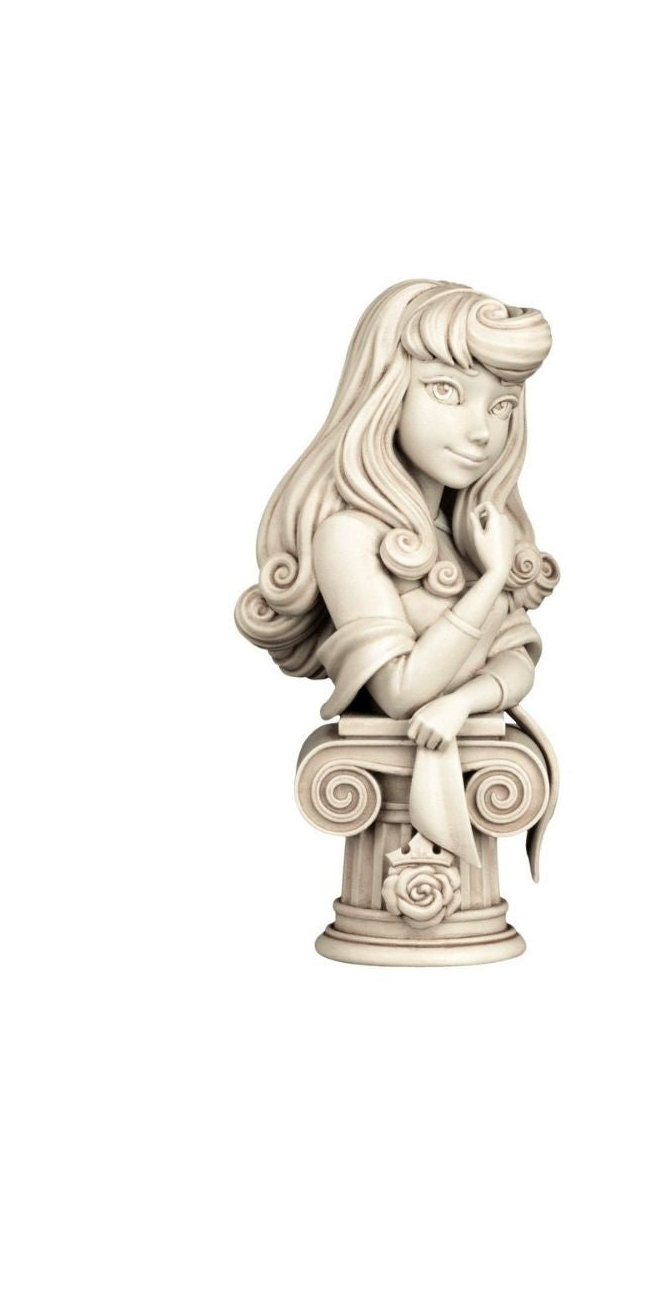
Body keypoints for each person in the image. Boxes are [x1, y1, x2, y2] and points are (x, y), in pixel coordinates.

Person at [235, 279, 559, 874]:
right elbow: (402, 692)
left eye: (502, 405)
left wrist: (462, 702)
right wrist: (490, 583)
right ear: (387, 392)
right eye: (447, 391)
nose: (481, 431)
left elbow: (518, 663)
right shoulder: (348, 536)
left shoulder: (473, 534)